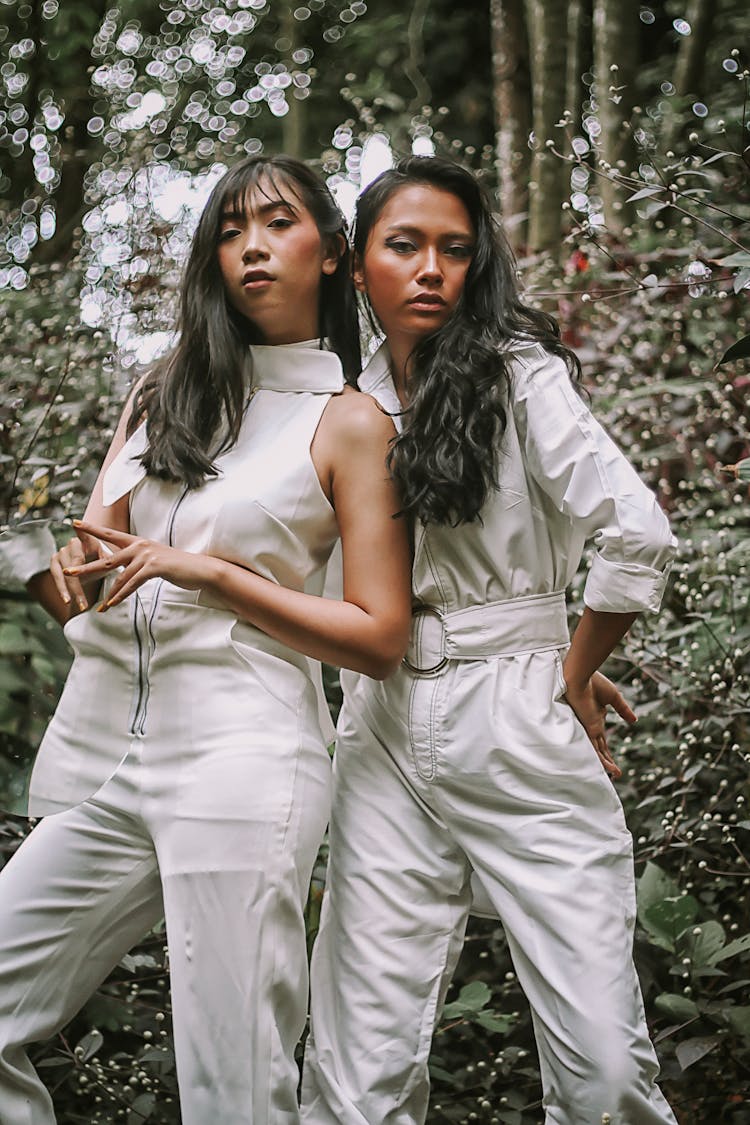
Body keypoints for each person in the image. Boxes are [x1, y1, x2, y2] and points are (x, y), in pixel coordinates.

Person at [0, 154, 411, 1125]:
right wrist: (27, 553)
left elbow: (379, 635)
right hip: (109, 759)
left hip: (247, 759)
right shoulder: (162, 393)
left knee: (232, 1080)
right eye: (230, 229)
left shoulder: (351, 422)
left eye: (275, 223)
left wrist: (214, 574)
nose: (251, 246)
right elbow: (91, 594)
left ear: (331, 254)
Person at [301, 156, 678, 1125]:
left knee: (604, 1074)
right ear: (356, 267)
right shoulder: (347, 401)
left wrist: (575, 669)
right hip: (381, 728)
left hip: (518, 710)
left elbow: (636, 529)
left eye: (454, 249)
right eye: (405, 246)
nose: (432, 269)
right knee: (355, 1074)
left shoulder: (519, 374)